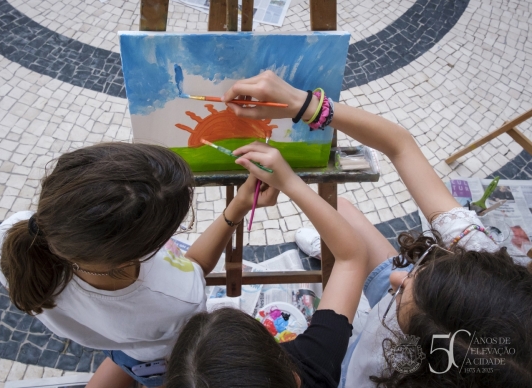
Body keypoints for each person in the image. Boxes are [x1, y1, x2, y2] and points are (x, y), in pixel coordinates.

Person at [170, 71, 532, 387]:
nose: (397, 276)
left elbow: (355, 262)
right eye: (424, 269)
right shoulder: (481, 266)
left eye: (406, 288)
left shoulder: (372, 373)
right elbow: (399, 144)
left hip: (372, 356)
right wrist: (302, 104)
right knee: (338, 210)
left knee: (341, 228)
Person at [0, 142, 278, 388]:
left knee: (124, 356)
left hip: (114, 339)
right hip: (155, 356)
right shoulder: (174, 299)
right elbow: (196, 265)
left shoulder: (14, 236)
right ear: (143, 250)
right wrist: (238, 207)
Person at [166, 88, 371, 388]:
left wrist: (237, 206)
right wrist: (289, 181)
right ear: (294, 377)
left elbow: (193, 266)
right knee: (345, 211)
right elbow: (351, 257)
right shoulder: (313, 365)